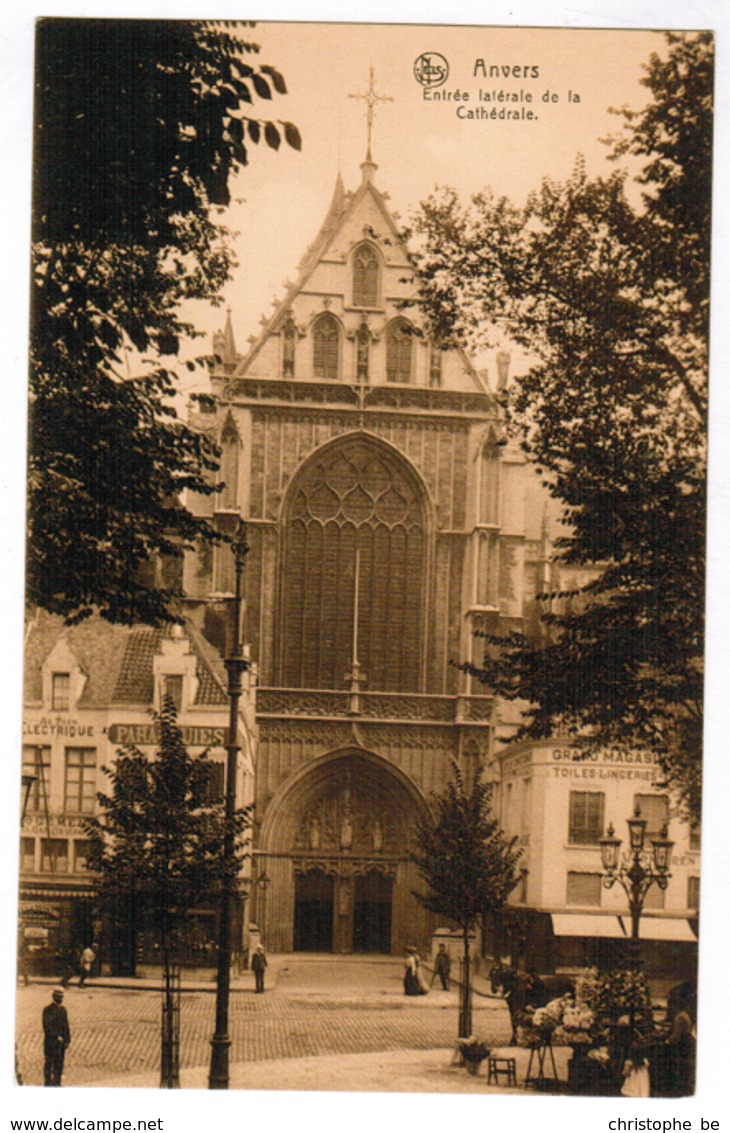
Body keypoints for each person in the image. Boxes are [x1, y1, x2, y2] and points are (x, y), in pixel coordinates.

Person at [42, 988, 71, 1086]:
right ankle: (48, 1082)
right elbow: (47, 1026)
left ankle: (57, 1082)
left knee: (59, 1063)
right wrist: (56, 1036)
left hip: (61, 1043)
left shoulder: (63, 1010)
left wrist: (67, 1039)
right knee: (49, 1062)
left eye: (62, 997)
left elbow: (66, 1025)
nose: (60, 999)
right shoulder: (48, 1009)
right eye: (58, 997)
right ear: (54, 997)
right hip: (51, 1042)